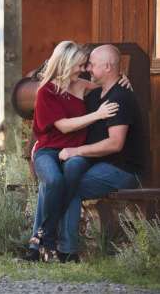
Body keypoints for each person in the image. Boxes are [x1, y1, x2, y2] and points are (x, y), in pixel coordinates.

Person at [25, 41, 131, 262]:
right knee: (53, 180)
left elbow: (108, 86)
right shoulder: (46, 92)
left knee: (70, 176)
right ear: (66, 64)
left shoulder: (81, 85)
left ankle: (42, 244)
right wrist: (97, 115)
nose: (84, 70)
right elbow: (63, 126)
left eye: (86, 65)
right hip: (47, 151)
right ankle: (43, 241)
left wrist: (123, 80)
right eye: (80, 65)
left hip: (75, 152)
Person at [56, 44, 144, 263]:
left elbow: (115, 144)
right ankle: (53, 245)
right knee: (60, 181)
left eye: (93, 65)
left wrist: (75, 151)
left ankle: (67, 253)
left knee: (70, 186)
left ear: (107, 67)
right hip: (99, 165)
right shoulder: (95, 96)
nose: (88, 69)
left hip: (123, 170)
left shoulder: (120, 98)